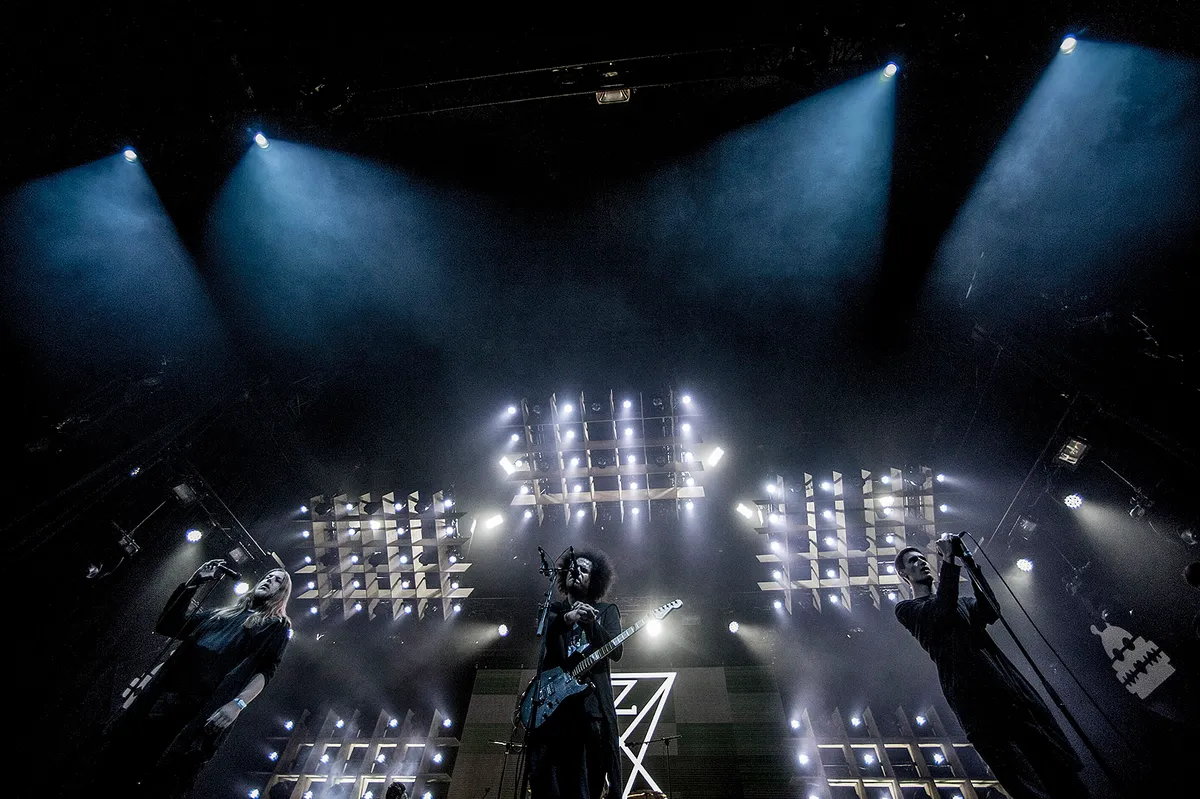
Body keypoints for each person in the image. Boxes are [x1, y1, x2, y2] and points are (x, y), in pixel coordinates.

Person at [894, 536, 1087, 799]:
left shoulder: (960, 602)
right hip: (978, 707)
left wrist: (969, 562)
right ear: (904, 574)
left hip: (1010, 694)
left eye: (922, 558)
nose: (922, 563)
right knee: (1026, 782)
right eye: (913, 561)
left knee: (1059, 773)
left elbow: (990, 610)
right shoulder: (908, 609)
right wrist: (948, 561)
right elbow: (942, 612)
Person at [103, 559, 292, 798]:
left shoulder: (276, 626)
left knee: (164, 777)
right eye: (268, 576)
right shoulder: (219, 614)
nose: (269, 580)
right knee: (120, 762)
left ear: (281, 593)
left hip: (197, 709)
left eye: (277, 581)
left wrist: (238, 703)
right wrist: (193, 583)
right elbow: (169, 625)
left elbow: (266, 670)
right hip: (162, 698)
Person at [526, 548, 623, 799]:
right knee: (549, 782)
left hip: (590, 711)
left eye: (584, 570)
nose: (576, 572)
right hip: (553, 711)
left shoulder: (606, 611)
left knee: (586, 783)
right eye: (572, 568)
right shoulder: (553, 609)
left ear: (595, 579)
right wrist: (568, 618)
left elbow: (616, 651)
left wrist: (591, 625)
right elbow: (544, 631)